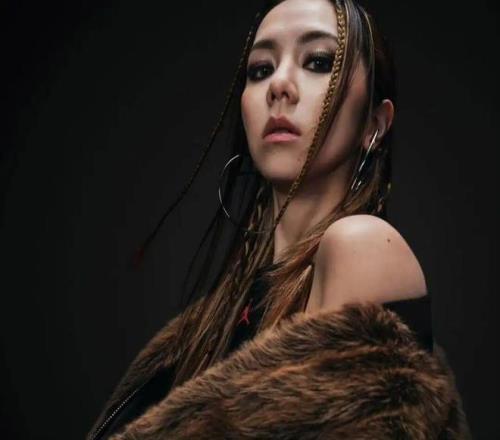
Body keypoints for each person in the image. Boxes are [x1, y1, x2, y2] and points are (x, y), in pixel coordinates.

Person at [87, 0, 470, 438]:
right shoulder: (214, 317)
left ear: (375, 125)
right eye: (260, 69)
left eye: (318, 62)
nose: (279, 86)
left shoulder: (359, 246)